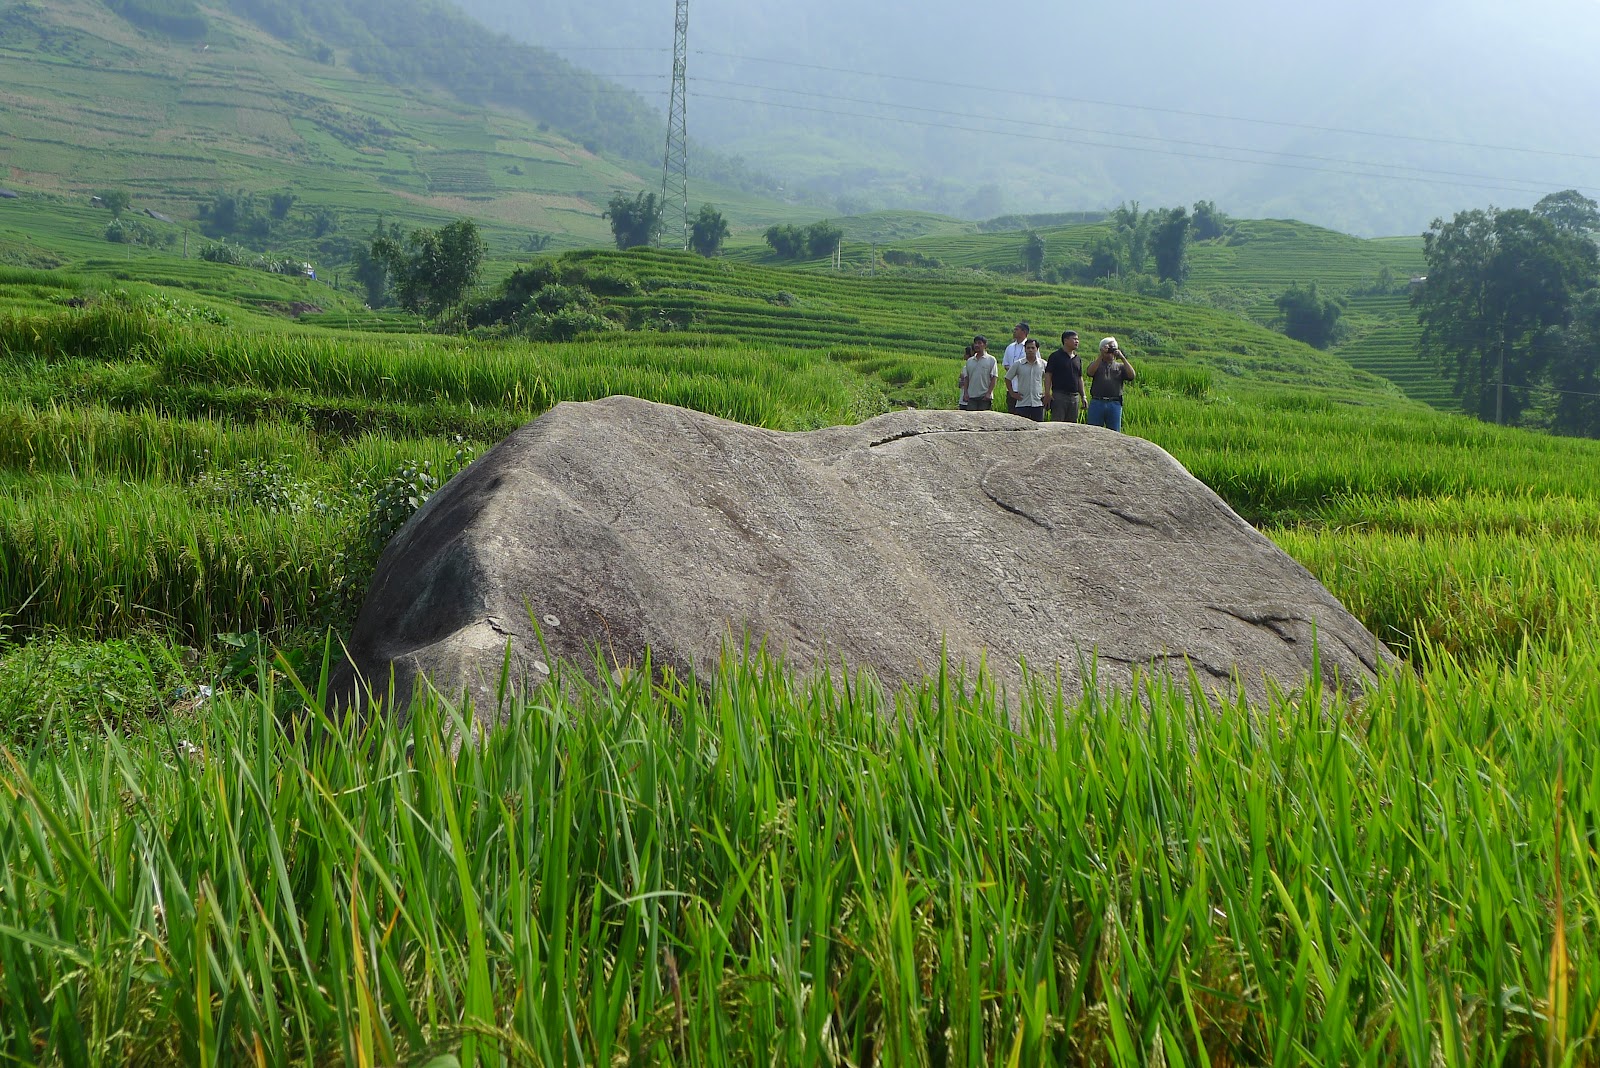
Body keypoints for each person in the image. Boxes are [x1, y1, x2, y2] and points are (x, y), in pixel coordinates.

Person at [1085, 336, 1136, 431]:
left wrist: (1122, 358)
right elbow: (1090, 372)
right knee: (1093, 431)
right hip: (1097, 402)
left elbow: (1132, 376)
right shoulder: (1096, 364)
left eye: (1112, 348)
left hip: (1114, 403)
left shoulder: (1120, 366)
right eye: (1107, 348)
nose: (1110, 351)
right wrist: (1101, 355)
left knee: (1114, 433)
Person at [1043, 330, 1086, 424]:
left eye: (1077, 339)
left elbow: (1079, 378)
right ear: (1065, 340)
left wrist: (1083, 396)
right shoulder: (1055, 356)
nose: (1077, 341)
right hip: (1059, 396)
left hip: (1074, 397)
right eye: (1074, 339)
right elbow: (1048, 375)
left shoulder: (1077, 359)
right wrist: (1047, 393)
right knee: (1057, 424)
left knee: (1072, 425)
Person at [1005, 337, 1047, 421]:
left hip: (1037, 403)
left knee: (1038, 428)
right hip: (1022, 403)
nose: (1030, 350)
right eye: (1028, 348)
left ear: (1037, 349)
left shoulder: (1043, 364)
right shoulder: (1018, 364)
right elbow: (1007, 378)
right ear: (1025, 349)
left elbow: (1048, 379)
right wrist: (1012, 393)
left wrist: (1047, 392)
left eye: (1033, 348)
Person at [958, 335, 998, 412]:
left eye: (979, 343)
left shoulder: (991, 360)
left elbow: (994, 378)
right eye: (975, 343)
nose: (977, 345)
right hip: (971, 397)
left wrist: (989, 393)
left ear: (985, 345)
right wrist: (965, 393)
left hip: (984, 397)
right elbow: (967, 378)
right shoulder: (969, 361)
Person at [1001, 321, 1031, 414]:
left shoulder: (1030, 347)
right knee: (1011, 413)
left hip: (1025, 388)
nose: (1014, 331)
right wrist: (1014, 371)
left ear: (1024, 332)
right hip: (1011, 388)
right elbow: (1005, 364)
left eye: (1016, 329)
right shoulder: (1009, 347)